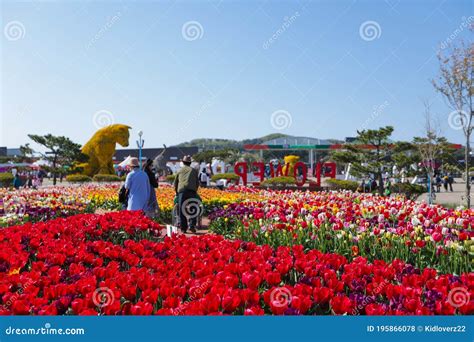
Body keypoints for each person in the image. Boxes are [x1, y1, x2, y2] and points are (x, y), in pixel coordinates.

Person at [174, 155, 199, 234]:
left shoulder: (179, 171)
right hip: (191, 191)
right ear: (190, 162)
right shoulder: (194, 171)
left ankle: (183, 228)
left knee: (181, 209)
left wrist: (177, 193)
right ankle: (192, 225)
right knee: (193, 208)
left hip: (182, 191)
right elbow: (197, 183)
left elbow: (176, 183)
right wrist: (195, 190)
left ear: (183, 162)